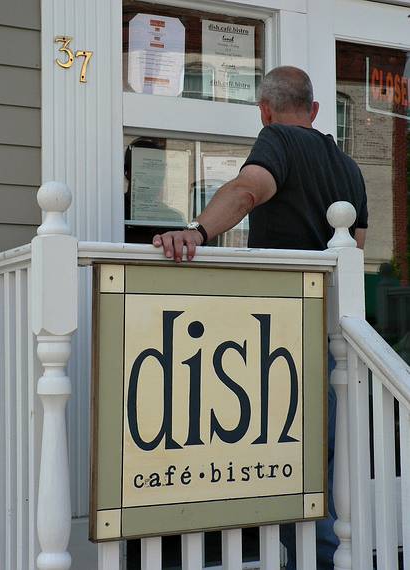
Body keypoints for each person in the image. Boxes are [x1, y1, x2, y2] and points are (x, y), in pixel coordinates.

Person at [153, 66, 368, 570]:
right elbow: (355, 251)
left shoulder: (276, 141)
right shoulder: (350, 170)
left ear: (265, 112)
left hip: (280, 333)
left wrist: (198, 233)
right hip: (330, 332)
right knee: (320, 459)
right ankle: (322, 559)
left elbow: (249, 188)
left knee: (273, 459)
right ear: (315, 111)